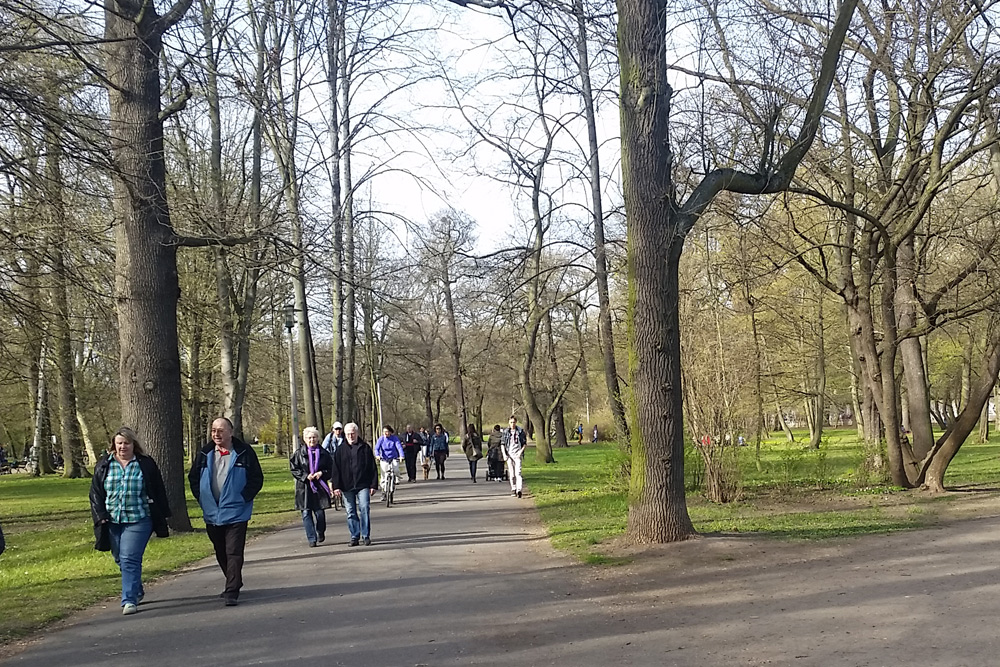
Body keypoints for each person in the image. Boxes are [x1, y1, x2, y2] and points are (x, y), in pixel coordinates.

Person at [89, 427, 171, 615]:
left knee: (129, 558)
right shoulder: (104, 464)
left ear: (134, 445)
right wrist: (100, 515)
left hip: (139, 518)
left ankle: (129, 600)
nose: (123, 447)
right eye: (119, 443)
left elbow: (157, 489)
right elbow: (95, 493)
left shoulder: (145, 464)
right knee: (120, 558)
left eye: (127, 443)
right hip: (112, 520)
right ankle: (136, 588)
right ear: (113, 445)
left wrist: (162, 514)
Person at [189, 417, 264, 607]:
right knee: (220, 550)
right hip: (212, 513)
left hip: (237, 512)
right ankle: (234, 579)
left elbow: (256, 478)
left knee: (233, 551)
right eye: (214, 430)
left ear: (231, 432)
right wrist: (202, 498)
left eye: (221, 430)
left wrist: (243, 497)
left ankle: (232, 590)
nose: (216, 434)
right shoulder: (204, 453)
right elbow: (193, 478)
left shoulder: (244, 452)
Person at [330, 423, 378, 546]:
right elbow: (336, 470)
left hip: (363, 484)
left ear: (357, 433)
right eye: (348, 434)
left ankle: (366, 535)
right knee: (350, 511)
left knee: (364, 508)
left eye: (353, 433)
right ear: (344, 435)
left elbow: (372, 468)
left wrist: (373, 485)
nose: (351, 436)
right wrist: (336, 486)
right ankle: (354, 536)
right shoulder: (340, 450)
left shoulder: (365, 448)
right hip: (347, 486)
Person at [289, 426, 334, 547]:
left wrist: (321, 473)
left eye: (314, 437)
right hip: (304, 488)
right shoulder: (298, 454)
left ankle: (320, 531)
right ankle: (311, 538)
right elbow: (294, 469)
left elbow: (331, 469)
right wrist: (305, 476)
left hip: (319, 487)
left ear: (318, 438)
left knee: (319, 513)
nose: (312, 440)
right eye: (309, 438)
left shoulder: (325, 454)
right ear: (304, 439)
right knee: (306, 513)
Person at [501, 415, 527, 498]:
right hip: (509, 455)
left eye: (514, 422)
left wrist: (520, 452)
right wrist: (504, 455)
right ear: (509, 422)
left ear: (516, 422)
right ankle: (513, 488)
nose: (512, 424)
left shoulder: (520, 431)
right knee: (511, 474)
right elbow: (502, 444)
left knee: (518, 473)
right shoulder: (506, 432)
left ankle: (519, 490)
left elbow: (524, 444)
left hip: (517, 454)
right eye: (511, 422)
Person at [374, 425, 404, 498]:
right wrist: (377, 455)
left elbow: (399, 447)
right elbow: (376, 448)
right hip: (384, 458)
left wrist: (401, 456)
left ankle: (396, 478)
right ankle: (384, 491)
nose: (386, 433)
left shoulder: (394, 439)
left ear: (390, 432)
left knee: (396, 469)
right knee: (383, 475)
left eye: (387, 432)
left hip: (393, 457)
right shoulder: (381, 439)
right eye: (384, 432)